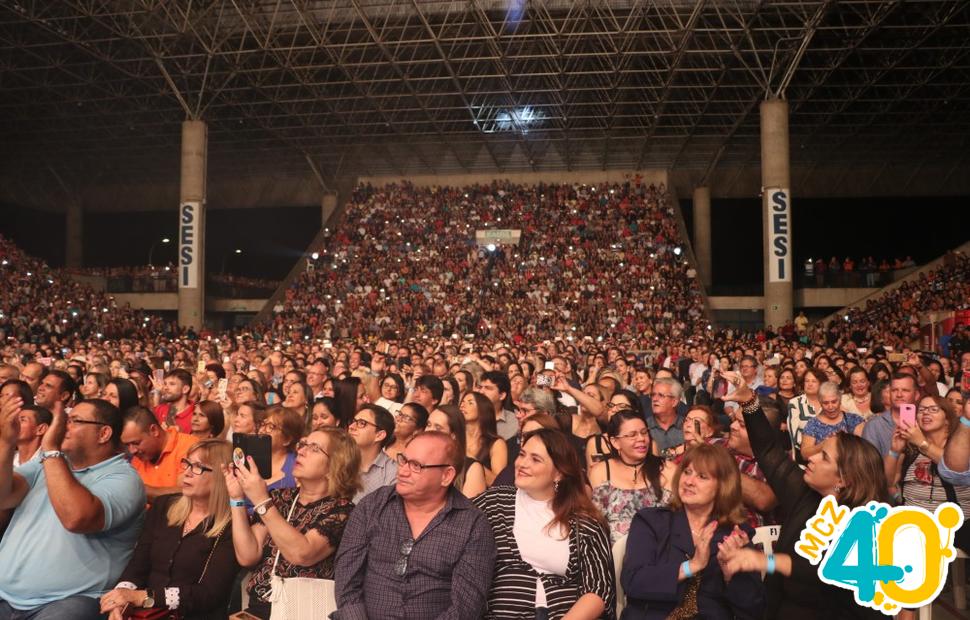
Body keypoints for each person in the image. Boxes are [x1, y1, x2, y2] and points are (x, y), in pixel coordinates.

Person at [717, 379, 888, 619]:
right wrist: (749, 403)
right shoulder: (805, 493)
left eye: (824, 457)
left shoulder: (864, 522)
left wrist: (765, 561)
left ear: (845, 479)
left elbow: (827, 568)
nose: (812, 458)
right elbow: (769, 451)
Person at [0, 396, 145, 618]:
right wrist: (6, 442)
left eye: (74, 421)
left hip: (66, 602)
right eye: (65, 419)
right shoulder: (46, 464)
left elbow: (76, 518)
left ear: (104, 433)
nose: (62, 427)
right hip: (6, 595)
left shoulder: (123, 478)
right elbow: (3, 496)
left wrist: (50, 449)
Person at [333, 431, 496, 620]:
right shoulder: (372, 507)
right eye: (403, 460)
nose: (402, 471)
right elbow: (346, 579)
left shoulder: (473, 525)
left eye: (416, 466)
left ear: (446, 475)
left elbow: (466, 606)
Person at [473, 428, 615, 619]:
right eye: (522, 455)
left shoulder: (585, 522)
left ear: (558, 474)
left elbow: (599, 589)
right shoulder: (494, 503)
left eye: (535, 459)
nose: (522, 464)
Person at [226, 427, 360, 620]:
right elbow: (247, 556)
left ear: (336, 465)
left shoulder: (342, 511)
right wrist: (237, 499)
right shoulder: (280, 497)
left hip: (302, 612)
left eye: (314, 448)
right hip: (259, 608)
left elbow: (302, 554)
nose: (302, 451)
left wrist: (262, 502)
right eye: (304, 444)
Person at [621, 442, 765, 619]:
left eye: (702, 476)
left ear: (723, 486)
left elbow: (752, 609)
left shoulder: (735, 535)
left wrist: (732, 577)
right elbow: (633, 582)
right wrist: (691, 566)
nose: (689, 481)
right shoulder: (651, 521)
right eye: (687, 472)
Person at [99, 440, 238, 620]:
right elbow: (137, 565)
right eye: (187, 464)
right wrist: (121, 600)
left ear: (222, 475)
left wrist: (143, 597)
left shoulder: (232, 524)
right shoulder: (163, 506)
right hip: (146, 613)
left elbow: (209, 595)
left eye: (198, 467)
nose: (186, 473)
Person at [886, 396, 970, 555]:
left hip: (956, 527)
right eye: (921, 410)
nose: (925, 413)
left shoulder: (960, 444)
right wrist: (894, 451)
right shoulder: (911, 448)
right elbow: (888, 482)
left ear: (947, 418)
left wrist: (922, 443)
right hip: (913, 525)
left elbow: (955, 468)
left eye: (933, 409)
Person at [589, 410, 668, 542]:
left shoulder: (666, 469)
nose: (641, 439)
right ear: (615, 442)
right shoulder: (601, 471)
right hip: (612, 555)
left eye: (644, 432)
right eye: (632, 435)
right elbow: (595, 523)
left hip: (659, 553)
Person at [121, 406, 199, 502]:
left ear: (154, 430)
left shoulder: (190, 447)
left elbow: (187, 494)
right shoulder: (137, 458)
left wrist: (140, 490)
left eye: (136, 443)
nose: (132, 450)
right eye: (127, 445)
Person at [426, 405, 488, 498]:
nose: (429, 431)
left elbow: (469, 511)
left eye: (438, 427)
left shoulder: (471, 468)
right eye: (428, 425)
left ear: (453, 436)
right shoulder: (419, 460)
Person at [800, 382, 864, 461]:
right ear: (820, 403)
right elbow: (804, 455)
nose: (830, 407)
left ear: (840, 400)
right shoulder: (813, 424)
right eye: (825, 403)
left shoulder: (854, 419)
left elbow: (865, 448)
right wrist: (824, 445)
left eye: (834, 402)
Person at [862, 372, 920, 458]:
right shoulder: (874, 425)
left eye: (905, 390)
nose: (899, 395)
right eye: (894, 390)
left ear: (916, 395)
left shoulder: (925, 421)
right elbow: (870, 465)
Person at [348, 403, 398, 503]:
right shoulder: (337, 459)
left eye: (362, 423)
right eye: (353, 421)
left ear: (379, 435)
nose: (351, 427)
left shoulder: (392, 473)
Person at [460, 390, 507, 485]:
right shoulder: (455, 436)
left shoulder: (496, 443)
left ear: (482, 410)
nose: (462, 405)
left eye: (470, 403)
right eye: (462, 402)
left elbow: (498, 483)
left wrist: (469, 457)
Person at [258, 405, 303, 493]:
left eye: (270, 427)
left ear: (287, 439)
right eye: (263, 424)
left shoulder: (297, 470)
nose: (261, 430)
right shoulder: (250, 458)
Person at [786, 368, 826, 466]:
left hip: (827, 457)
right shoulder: (795, 403)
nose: (809, 384)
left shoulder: (828, 402)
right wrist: (815, 448)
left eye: (814, 381)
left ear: (821, 384)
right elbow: (794, 435)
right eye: (807, 381)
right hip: (803, 459)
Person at [646, 377, 685, 455]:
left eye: (661, 395)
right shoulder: (644, 427)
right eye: (653, 395)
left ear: (674, 402)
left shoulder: (686, 426)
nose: (655, 399)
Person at [477, 371, 518, 440]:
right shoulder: (469, 415)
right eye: (480, 387)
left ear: (501, 395)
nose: (481, 392)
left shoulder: (514, 421)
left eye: (488, 388)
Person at [154, 369, 195, 434]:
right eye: (165, 384)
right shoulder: (160, 409)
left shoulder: (196, 415)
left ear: (185, 389)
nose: (165, 388)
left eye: (172, 384)